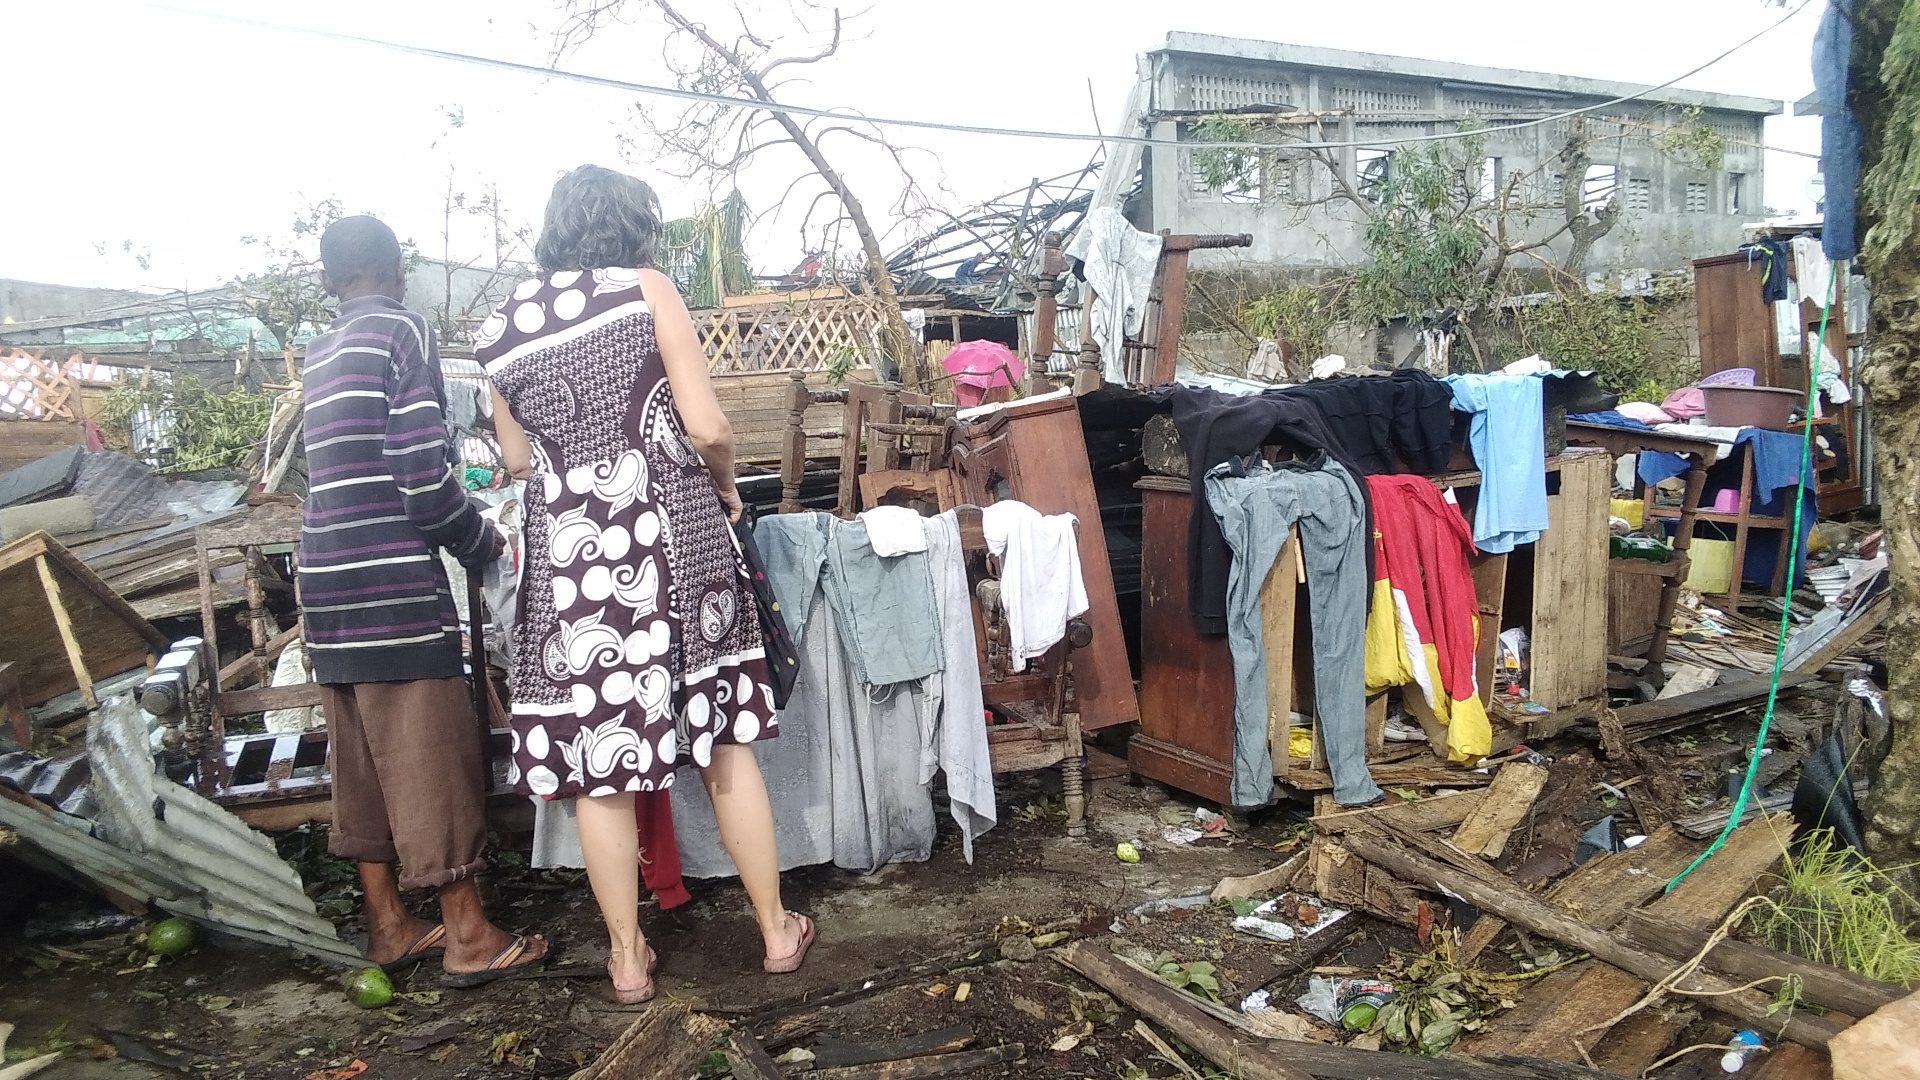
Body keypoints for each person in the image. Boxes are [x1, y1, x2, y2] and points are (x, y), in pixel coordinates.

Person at [475, 166, 814, 1004]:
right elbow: (706, 425)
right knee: (720, 731)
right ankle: (775, 930)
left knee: (601, 762)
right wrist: (728, 483)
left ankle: (627, 958)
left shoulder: (499, 328)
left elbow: (516, 462)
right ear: (632, 228)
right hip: (674, 534)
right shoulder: (644, 288)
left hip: (570, 560)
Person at [300, 215, 548, 986]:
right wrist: (480, 543)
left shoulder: (321, 350)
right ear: (397, 268)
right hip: (389, 587)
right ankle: (467, 934)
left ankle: (388, 928)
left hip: (327, 587)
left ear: (330, 279)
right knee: (428, 753)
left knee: (365, 762)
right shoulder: (401, 332)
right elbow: (419, 472)